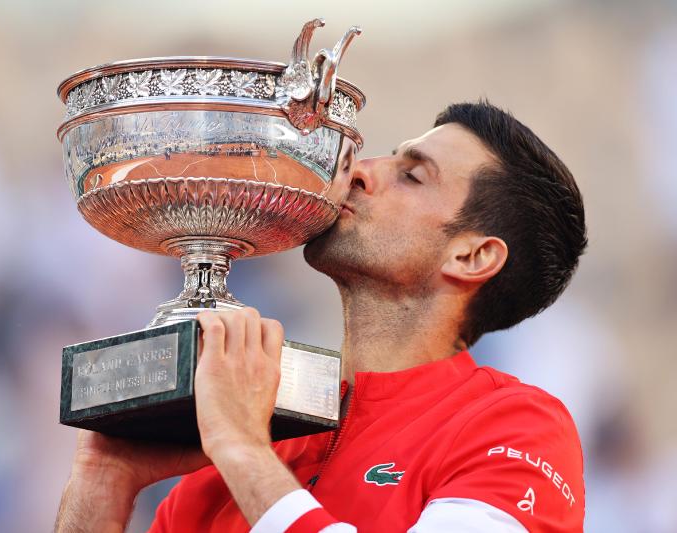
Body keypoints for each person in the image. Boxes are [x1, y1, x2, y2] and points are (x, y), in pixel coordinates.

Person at [55, 101, 587, 532]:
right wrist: (103, 482)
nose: (357, 171)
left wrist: (242, 450)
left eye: (412, 176)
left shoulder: (517, 428)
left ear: (471, 257)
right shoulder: (247, 443)